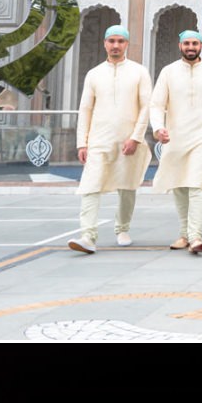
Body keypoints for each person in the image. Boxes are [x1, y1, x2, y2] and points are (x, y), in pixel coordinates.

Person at [69, 24, 151, 254]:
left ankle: (122, 228)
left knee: (127, 185)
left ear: (127, 44)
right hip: (99, 139)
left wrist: (136, 137)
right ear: (105, 43)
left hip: (128, 140)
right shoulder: (94, 74)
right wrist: (82, 142)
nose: (115, 45)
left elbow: (146, 107)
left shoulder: (139, 72)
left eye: (120, 41)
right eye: (111, 41)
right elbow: (85, 109)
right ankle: (88, 235)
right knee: (90, 185)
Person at [150, 29, 202, 256]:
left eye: (195, 43)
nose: (191, 47)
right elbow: (156, 104)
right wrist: (158, 127)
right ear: (180, 46)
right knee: (179, 184)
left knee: (196, 185)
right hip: (176, 135)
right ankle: (184, 233)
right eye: (187, 44)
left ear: (201, 46)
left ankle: (195, 236)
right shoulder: (168, 72)